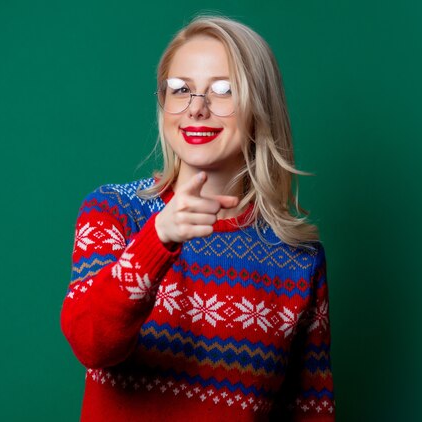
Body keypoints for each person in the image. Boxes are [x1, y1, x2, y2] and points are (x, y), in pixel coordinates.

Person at [61, 15, 335, 422]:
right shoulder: (114, 211)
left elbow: (311, 410)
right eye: (181, 89)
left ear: (260, 105)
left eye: (223, 91)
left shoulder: (299, 256)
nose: (197, 108)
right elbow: (90, 343)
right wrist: (158, 240)